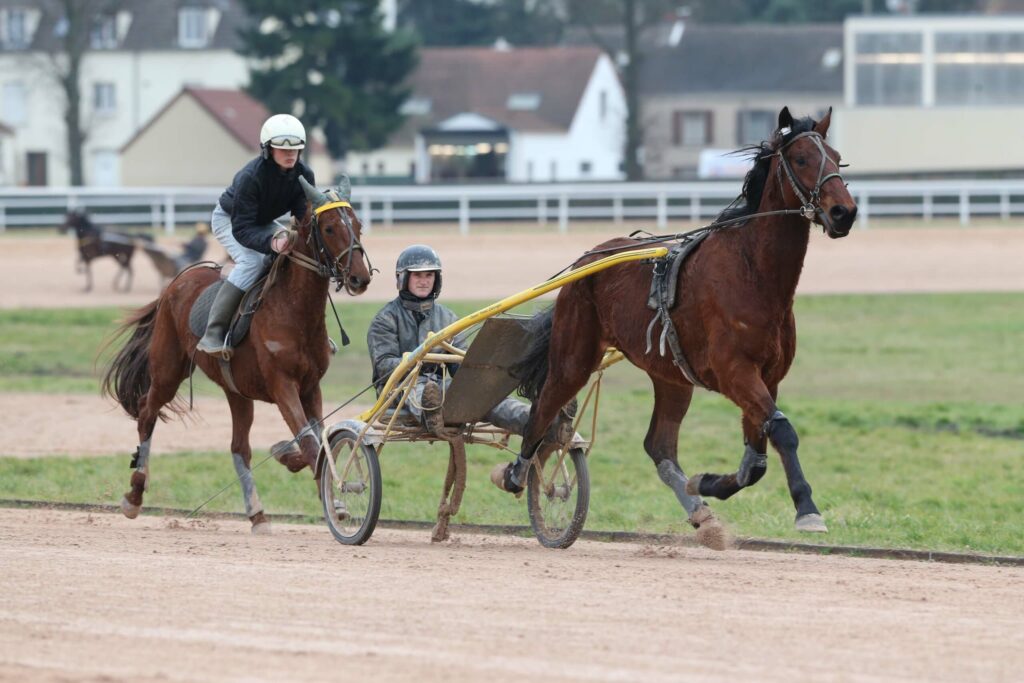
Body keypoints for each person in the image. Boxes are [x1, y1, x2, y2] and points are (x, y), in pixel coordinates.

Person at [366, 244, 575, 449]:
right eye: (417, 276)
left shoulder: (447, 317)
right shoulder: (386, 319)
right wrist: (419, 358)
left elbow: (460, 366)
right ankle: (429, 413)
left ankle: (545, 424)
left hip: (442, 390)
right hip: (399, 392)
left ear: (436, 279)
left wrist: (480, 380)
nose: (424, 281)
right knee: (420, 390)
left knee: (490, 397)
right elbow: (384, 366)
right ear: (403, 278)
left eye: (429, 276)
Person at [196, 114, 314, 356]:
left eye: (296, 149)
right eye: (282, 149)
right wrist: (272, 242)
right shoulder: (250, 177)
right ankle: (213, 332)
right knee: (253, 260)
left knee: (295, 253)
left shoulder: (304, 175)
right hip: (230, 220)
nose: (290, 154)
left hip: (261, 222)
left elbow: (304, 218)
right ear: (268, 149)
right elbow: (241, 228)